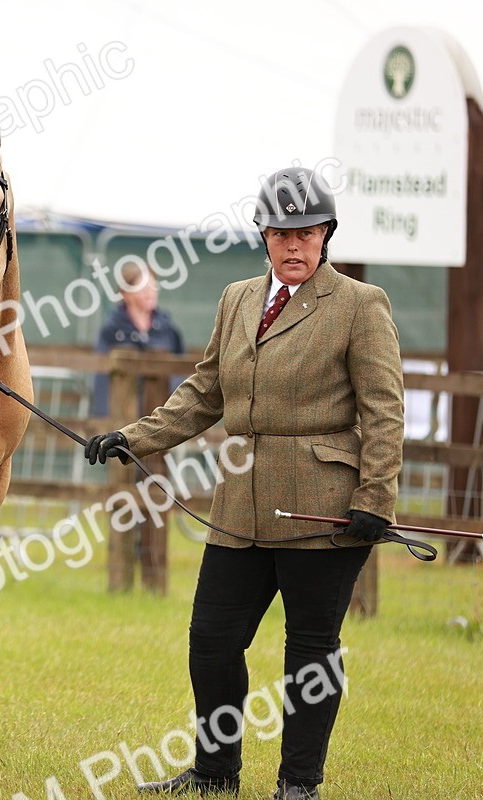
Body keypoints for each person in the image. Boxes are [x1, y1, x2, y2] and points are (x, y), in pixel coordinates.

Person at [86, 168, 404, 800]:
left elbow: (384, 410)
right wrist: (134, 437)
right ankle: (213, 774)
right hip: (240, 505)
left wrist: (375, 498)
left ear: (326, 235)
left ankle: (298, 783)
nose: (294, 244)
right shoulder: (236, 299)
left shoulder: (360, 305)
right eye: (282, 232)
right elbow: (206, 392)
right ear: (263, 235)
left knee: (310, 652)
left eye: (307, 232)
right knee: (211, 640)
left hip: (323, 510)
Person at [92, 264, 185, 417]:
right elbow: (101, 377)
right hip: (121, 415)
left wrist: (175, 408)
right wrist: (103, 418)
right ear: (125, 293)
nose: (150, 293)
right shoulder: (112, 329)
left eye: (153, 286)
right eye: (143, 288)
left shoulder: (167, 327)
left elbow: (180, 370)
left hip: (161, 417)